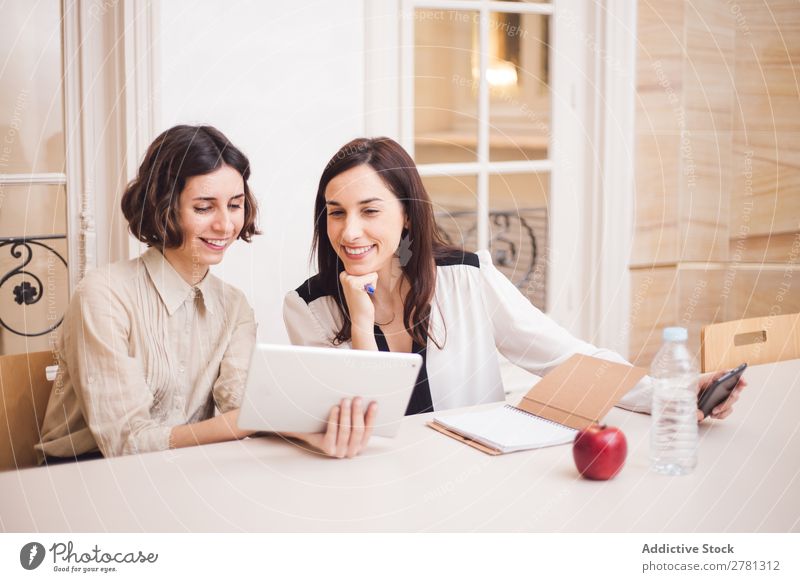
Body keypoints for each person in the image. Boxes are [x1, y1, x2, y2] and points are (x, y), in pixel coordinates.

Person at [283, 136, 745, 420]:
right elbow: (362, 425)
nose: (350, 231)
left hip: (474, 480)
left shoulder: (467, 278)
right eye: (336, 213)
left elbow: (567, 360)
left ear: (407, 216)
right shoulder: (307, 308)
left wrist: (676, 393)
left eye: (369, 211)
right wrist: (361, 323)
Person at [37, 125, 373, 463]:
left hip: (183, 470)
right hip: (85, 475)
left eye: (235, 205)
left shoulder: (234, 306)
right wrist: (256, 420)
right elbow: (127, 443)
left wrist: (303, 426)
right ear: (163, 207)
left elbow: (241, 407)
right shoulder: (103, 295)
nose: (225, 225)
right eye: (203, 207)